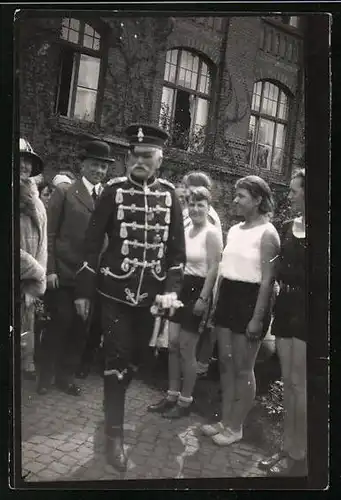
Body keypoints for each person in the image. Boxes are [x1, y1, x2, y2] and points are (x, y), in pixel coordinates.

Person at [74, 123, 186, 472]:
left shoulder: (170, 196)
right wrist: (83, 292)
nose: (139, 160)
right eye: (134, 155)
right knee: (117, 362)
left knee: (137, 361)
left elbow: (177, 253)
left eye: (147, 156)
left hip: (151, 297)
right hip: (114, 292)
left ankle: (113, 408)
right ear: (127, 158)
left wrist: (170, 290)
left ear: (159, 160)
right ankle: (114, 436)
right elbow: (92, 245)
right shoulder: (113, 191)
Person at [201, 175, 280, 446]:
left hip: (251, 300)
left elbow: (268, 280)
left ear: (258, 200)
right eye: (236, 195)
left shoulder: (268, 234)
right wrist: (217, 305)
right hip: (229, 297)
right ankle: (225, 420)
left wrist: (258, 319)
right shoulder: (234, 230)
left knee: (243, 369)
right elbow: (225, 271)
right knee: (225, 363)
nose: (235, 200)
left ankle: (236, 428)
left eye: (241, 196)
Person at [37, 140, 114, 396]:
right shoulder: (65, 192)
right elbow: (50, 233)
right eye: (94, 165)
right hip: (63, 272)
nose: (99, 171)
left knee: (81, 328)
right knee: (60, 322)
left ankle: (65, 377)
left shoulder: (107, 197)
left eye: (103, 167)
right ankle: (45, 376)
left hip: (90, 277)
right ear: (82, 165)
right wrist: (50, 270)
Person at [148, 186, 222, 418]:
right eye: (192, 204)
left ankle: (185, 401)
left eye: (201, 205)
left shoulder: (211, 233)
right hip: (179, 288)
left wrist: (203, 298)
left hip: (197, 290)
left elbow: (213, 269)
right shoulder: (185, 228)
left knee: (186, 348)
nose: (196, 209)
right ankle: (171, 395)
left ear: (208, 208)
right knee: (172, 345)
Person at [258, 169, 307, 476]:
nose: (289, 196)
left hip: (307, 310)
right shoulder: (288, 227)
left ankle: (299, 454)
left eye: (294, 191)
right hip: (286, 306)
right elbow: (274, 268)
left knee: (299, 385)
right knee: (288, 383)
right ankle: (287, 447)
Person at [182, 171, 223, 377]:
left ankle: (201, 366)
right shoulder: (190, 212)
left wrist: (205, 295)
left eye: (186, 186)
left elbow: (213, 262)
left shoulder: (210, 219)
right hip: (190, 277)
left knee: (203, 328)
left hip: (203, 280)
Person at [19, 138, 47, 380]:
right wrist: (34, 268)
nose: (24, 165)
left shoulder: (37, 202)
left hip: (28, 281)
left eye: (28, 161)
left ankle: (26, 362)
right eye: (19, 160)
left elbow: (43, 243)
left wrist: (38, 281)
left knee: (25, 323)